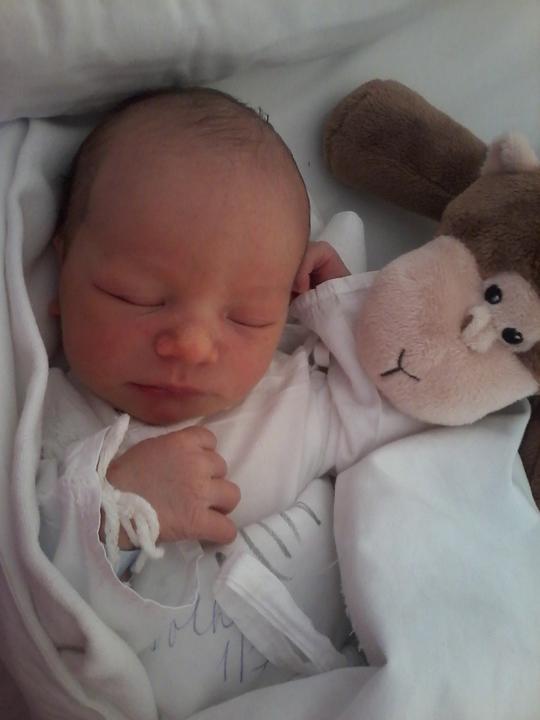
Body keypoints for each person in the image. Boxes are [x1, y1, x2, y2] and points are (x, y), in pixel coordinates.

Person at [38, 87, 420, 719]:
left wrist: (343, 315)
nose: (190, 345)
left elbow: (404, 407)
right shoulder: (52, 425)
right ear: (63, 268)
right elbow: (28, 589)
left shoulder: (289, 394)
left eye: (246, 317)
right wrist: (122, 510)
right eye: (135, 296)